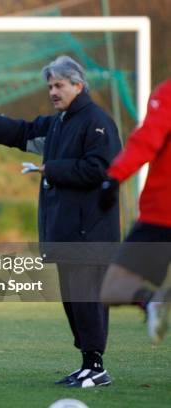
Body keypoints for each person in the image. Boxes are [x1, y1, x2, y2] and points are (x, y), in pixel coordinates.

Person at [0, 56, 121, 388]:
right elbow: (26, 131)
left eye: (59, 85)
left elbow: (101, 169)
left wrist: (51, 169)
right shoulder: (61, 122)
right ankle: (87, 365)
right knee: (72, 300)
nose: (53, 91)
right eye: (50, 85)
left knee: (87, 300)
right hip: (66, 230)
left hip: (89, 232)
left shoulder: (96, 122)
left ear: (79, 85)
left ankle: (97, 367)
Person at [99, 79, 171, 344]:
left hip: (162, 215)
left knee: (113, 289)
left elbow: (147, 140)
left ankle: (153, 300)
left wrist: (114, 177)